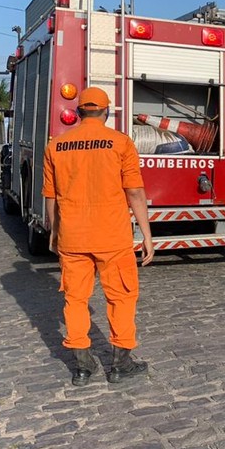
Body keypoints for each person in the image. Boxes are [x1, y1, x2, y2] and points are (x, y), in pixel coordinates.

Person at [41, 87, 155, 386]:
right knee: (121, 298)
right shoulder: (120, 143)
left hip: (73, 238)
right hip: (112, 238)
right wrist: (146, 233)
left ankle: (82, 366)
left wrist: (55, 231)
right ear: (107, 112)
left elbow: (50, 196)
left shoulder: (57, 145)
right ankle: (120, 364)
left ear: (79, 112)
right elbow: (134, 191)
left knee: (75, 300)